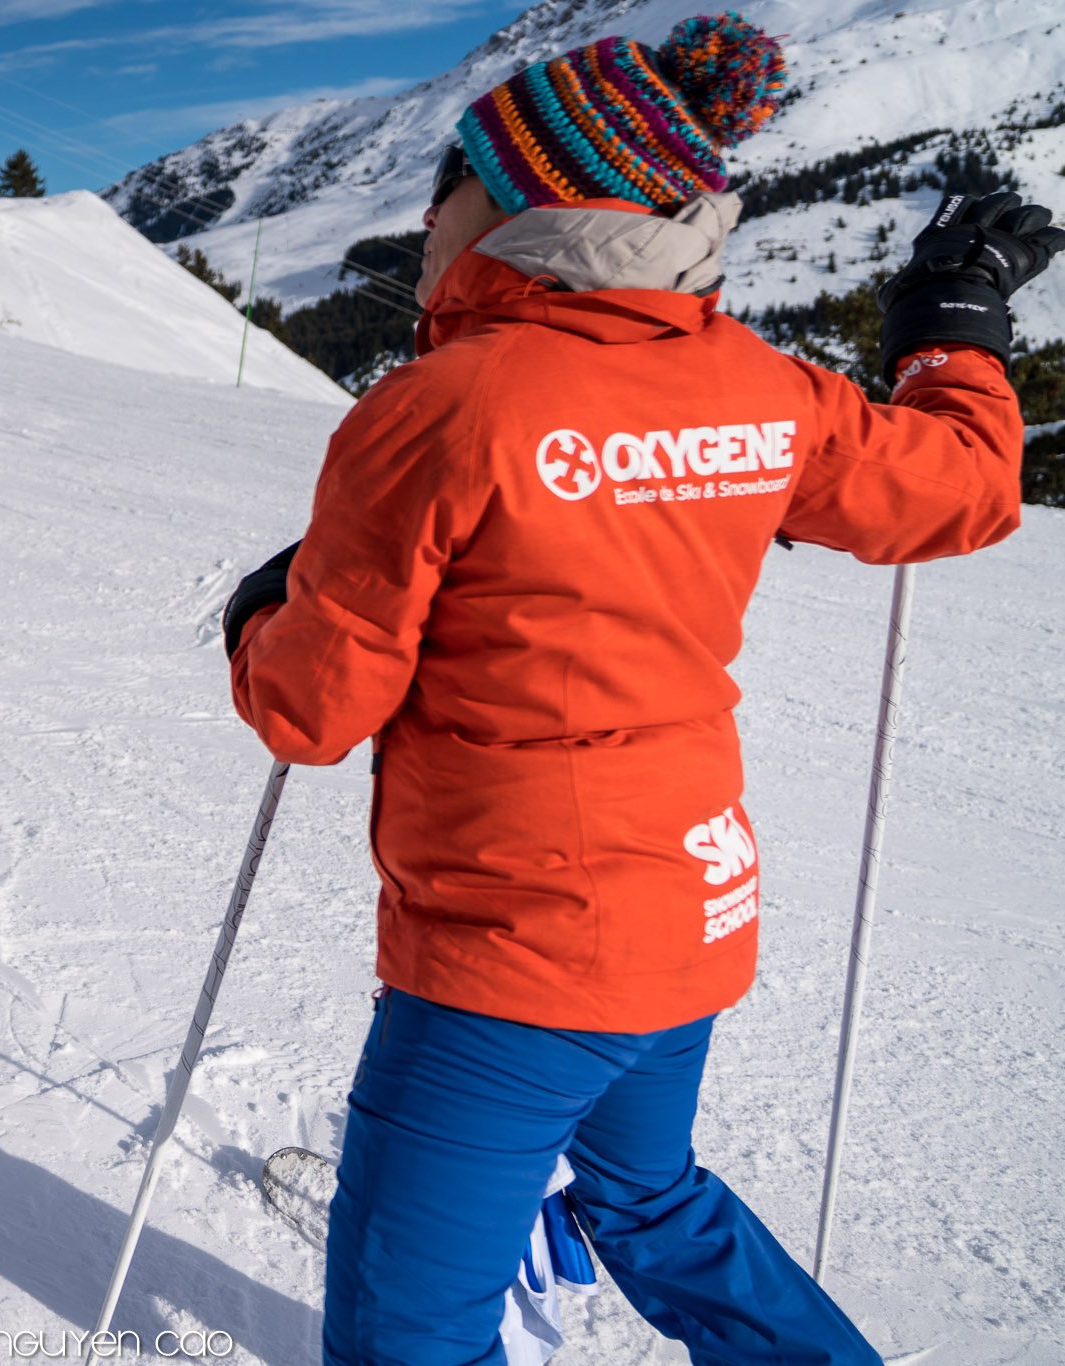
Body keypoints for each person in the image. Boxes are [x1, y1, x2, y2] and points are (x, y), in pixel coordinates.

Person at [220, 14, 1062, 1365]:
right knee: (651, 1200)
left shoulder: (446, 403)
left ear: (507, 205)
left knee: (405, 1336)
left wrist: (264, 612)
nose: (423, 218)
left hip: (510, 959)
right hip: (686, 921)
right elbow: (959, 487)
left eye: (444, 185)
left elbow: (309, 710)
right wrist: (953, 329)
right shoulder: (756, 384)